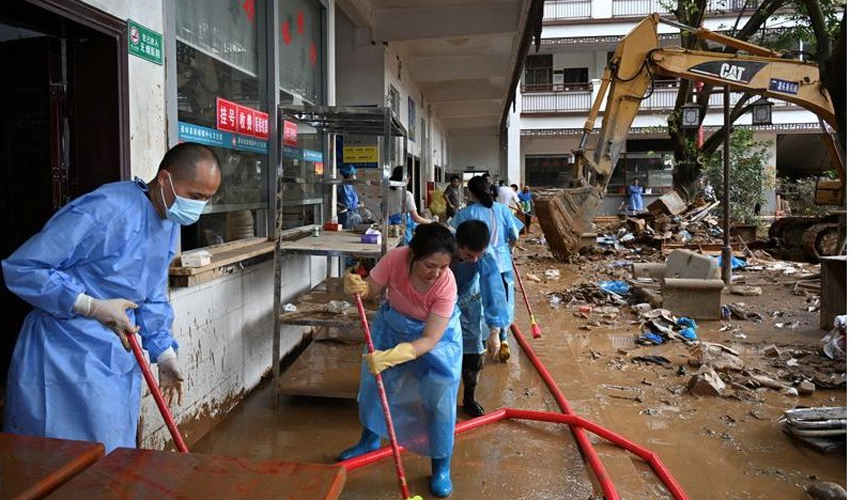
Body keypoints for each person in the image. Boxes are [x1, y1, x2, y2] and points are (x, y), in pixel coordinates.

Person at [1, 142, 221, 453]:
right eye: (195, 196)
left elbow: (152, 293)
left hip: (114, 357)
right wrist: (89, 306)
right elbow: (24, 268)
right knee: (55, 459)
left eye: (207, 199)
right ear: (164, 179)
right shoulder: (107, 208)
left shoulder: (168, 222)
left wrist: (164, 354)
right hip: (62, 354)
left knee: (109, 456)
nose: (198, 206)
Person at [339, 223, 461, 498]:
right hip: (392, 326)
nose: (437, 273)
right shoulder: (395, 258)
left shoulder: (446, 283)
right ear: (413, 255)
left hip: (436, 338)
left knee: (438, 400)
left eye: (444, 266)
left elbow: (430, 339)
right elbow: (371, 289)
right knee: (376, 386)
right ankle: (369, 441)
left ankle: (441, 465)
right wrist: (358, 286)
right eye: (430, 265)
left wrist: (395, 356)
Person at [450, 176, 522, 362]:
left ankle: (487, 337)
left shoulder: (467, 213)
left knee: (475, 298)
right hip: (502, 260)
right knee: (500, 296)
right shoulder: (503, 210)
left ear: (470, 193)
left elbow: (452, 234)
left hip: (476, 261)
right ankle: (501, 337)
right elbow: (515, 236)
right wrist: (509, 250)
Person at [451, 220, 509, 417]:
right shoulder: (441, 247)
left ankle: (469, 398)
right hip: (438, 302)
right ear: (457, 245)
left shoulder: (486, 256)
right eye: (468, 255)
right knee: (438, 352)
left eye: (478, 255)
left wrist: (495, 331)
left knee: (473, 355)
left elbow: (493, 291)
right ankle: (440, 400)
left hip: (468, 303)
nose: (474, 260)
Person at [387, 165, 432, 245]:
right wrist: (431, 222)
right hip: (402, 232)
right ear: (406, 178)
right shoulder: (407, 194)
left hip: (388, 231)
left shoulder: (387, 193)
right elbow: (416, 218)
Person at [336, 165, 362, 229]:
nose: (355, 176)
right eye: (354, 174)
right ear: (350, 175)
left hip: (352, 215)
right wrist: (359, 205)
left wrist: (357, 202)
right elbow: (347, 205)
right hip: (347, 217)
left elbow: (351, 200)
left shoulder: (349, 185)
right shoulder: (344, 186)